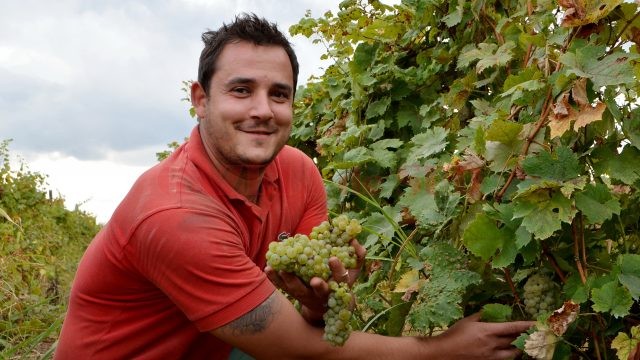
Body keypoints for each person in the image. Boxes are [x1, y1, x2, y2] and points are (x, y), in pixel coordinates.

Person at [55, 13, 532, 359]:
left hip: (216, 344)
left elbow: (319, 316)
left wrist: (326, 295)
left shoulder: (299, 171)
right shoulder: (176, 215)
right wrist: (442, 351)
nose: (263, 109)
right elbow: (303, 351)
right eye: (241, 90)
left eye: (278, 94)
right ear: (200, 100)